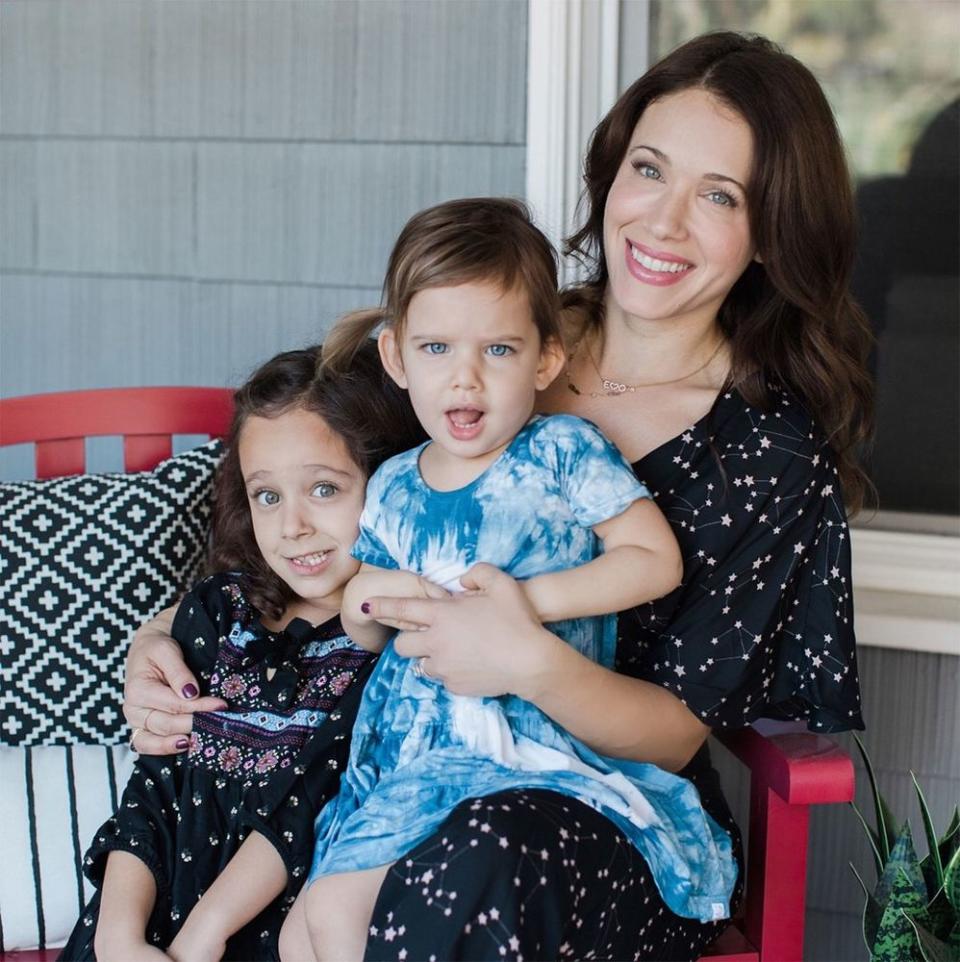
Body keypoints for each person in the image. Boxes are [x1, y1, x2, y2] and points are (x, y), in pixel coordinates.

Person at [122, 31, 872, 962]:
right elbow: (294, 503)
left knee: (472, 859)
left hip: (595, 815)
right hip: (393, 757)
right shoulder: (477, 335)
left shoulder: (766, 451)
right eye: (650, 169)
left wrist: (524, 654)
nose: (665, 222)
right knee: (287, 843)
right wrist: (158, 636)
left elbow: (674, 737)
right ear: (611, 175)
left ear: (770, 235)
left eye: (719, 196)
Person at [275, 198, 735, 961]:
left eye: (497, 351)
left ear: (545, 360)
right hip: (411, 755)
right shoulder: (392, 483)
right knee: (304, 930)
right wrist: (362, 603)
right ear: (395, 358)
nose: (465, 379)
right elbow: (367, 618)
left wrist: (529, 603)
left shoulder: (561, 451)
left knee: (341, 914)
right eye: (435, 349)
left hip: (520, 749)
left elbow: (655, 560)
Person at [60, 342, 425, 962]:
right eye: (269, 496)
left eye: (324, 489)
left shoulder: (387, 646)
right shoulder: (219, 612)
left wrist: (202, 939)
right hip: (148, 914)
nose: (292, 526)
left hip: (263, 934)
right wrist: (118, 937)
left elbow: (310, 804)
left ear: (388, 480)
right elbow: (157, 780)